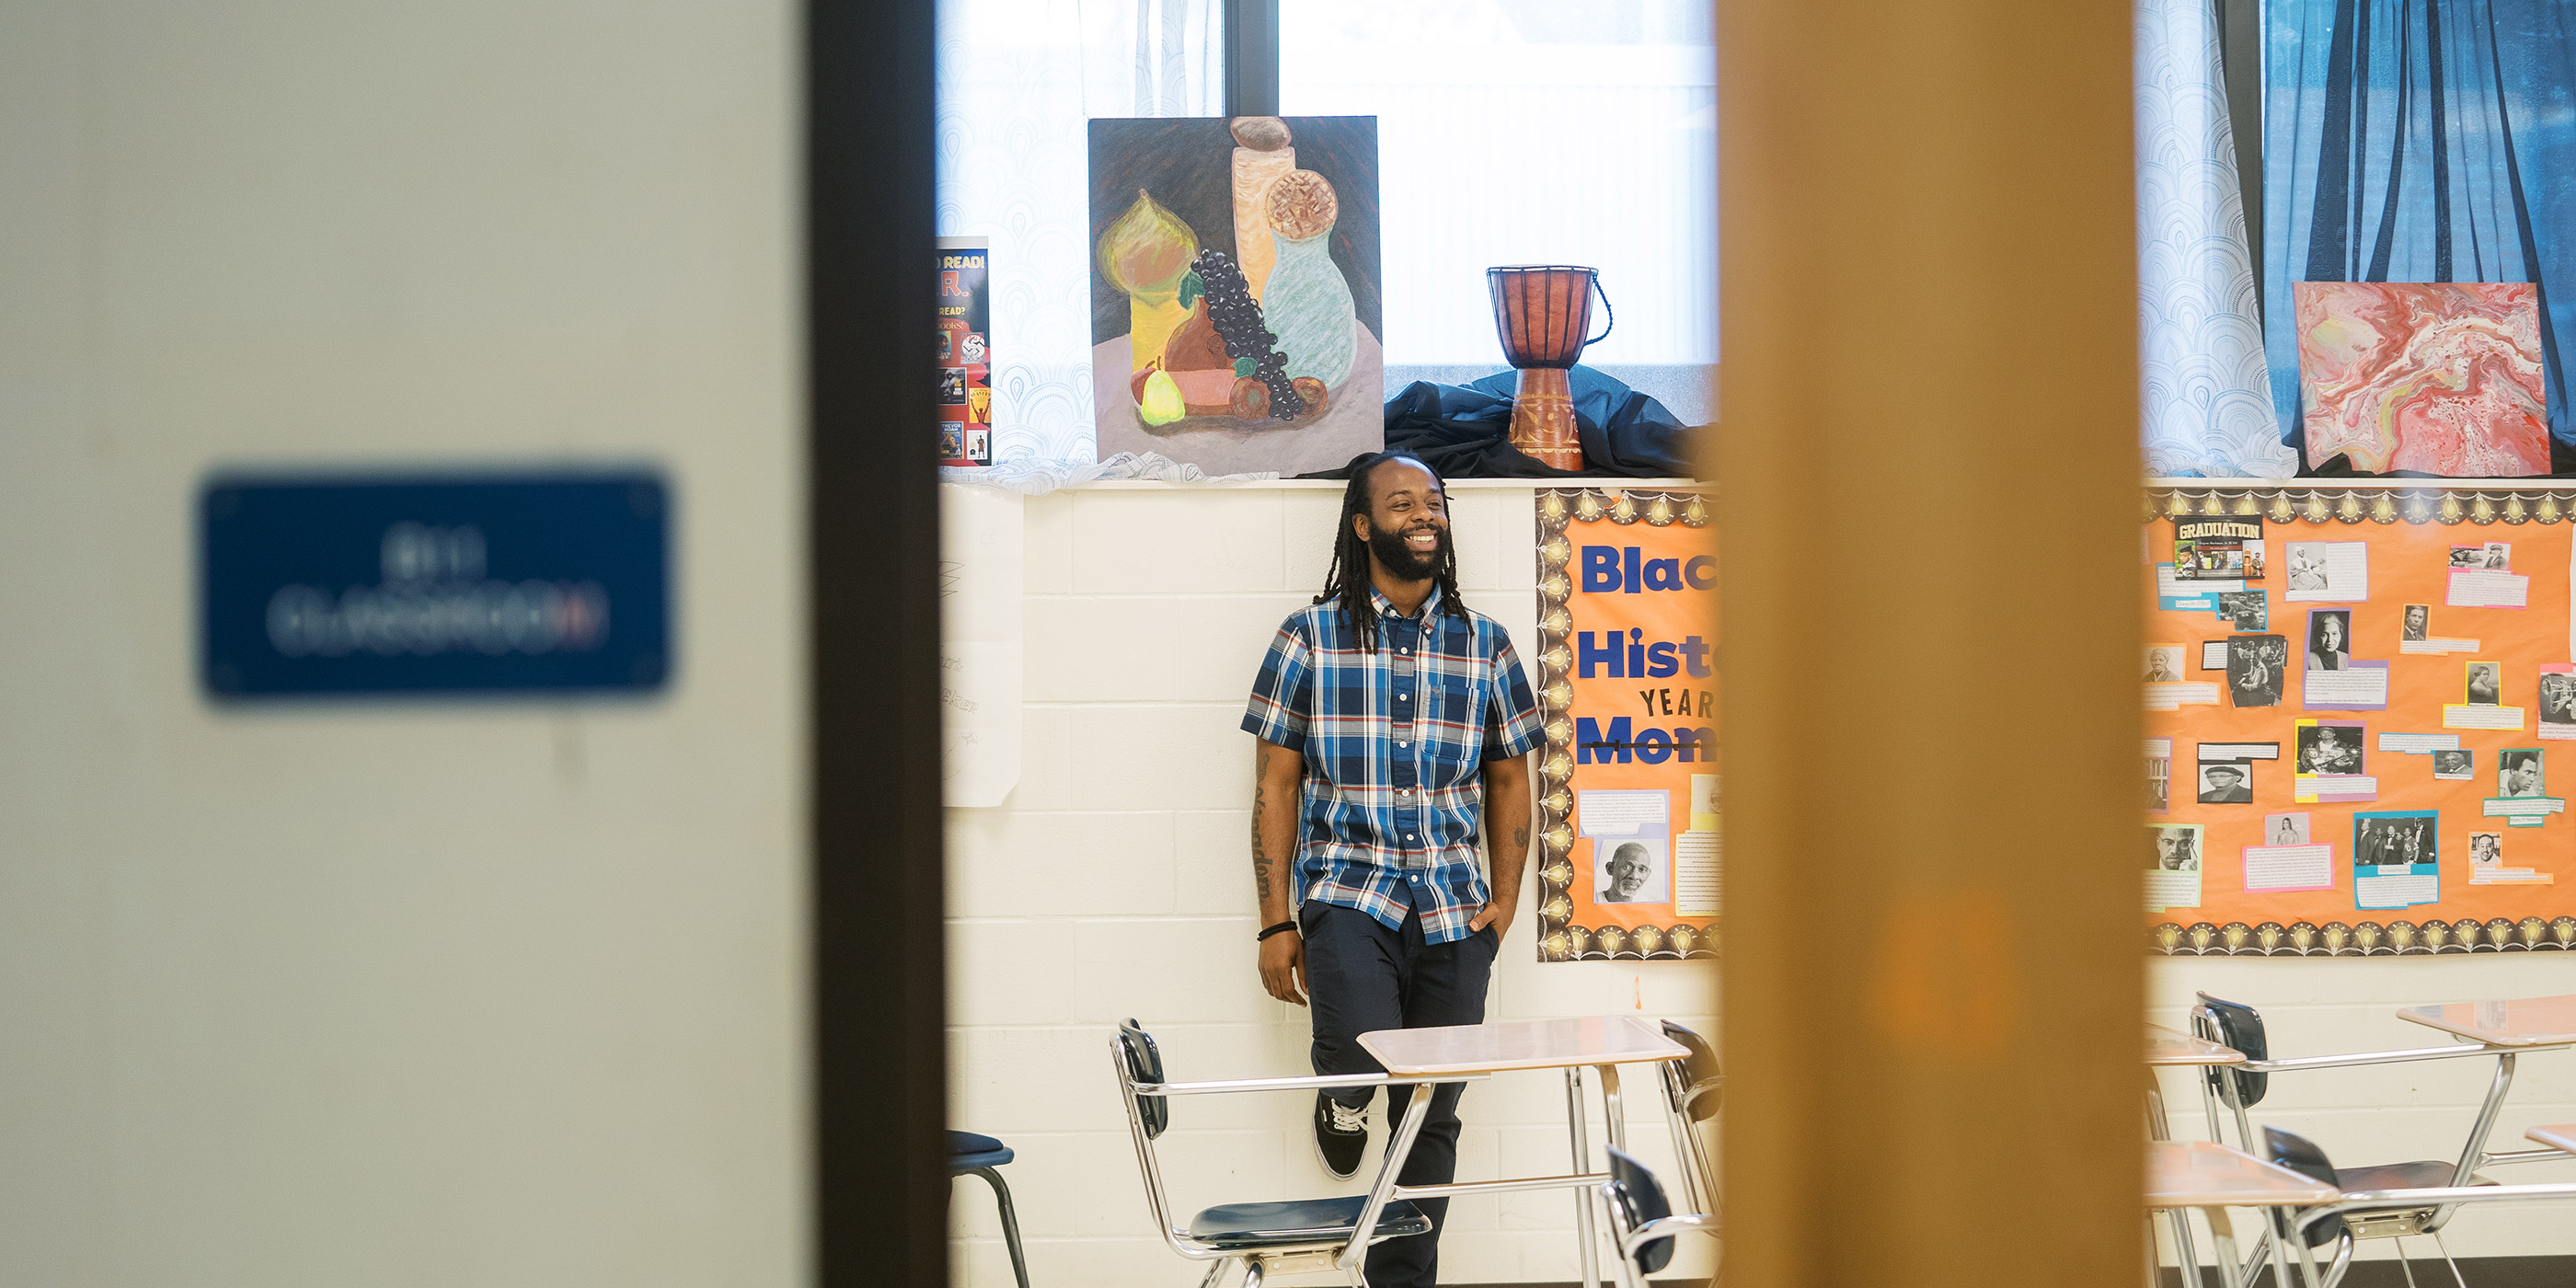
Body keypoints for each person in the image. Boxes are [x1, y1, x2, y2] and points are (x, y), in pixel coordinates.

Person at [1241, 451, 1541, 1288]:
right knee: (1355, 1047)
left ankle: (1400, 1280)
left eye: (1435, 502)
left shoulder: (1487, 645)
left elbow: (1512, 777)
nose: (1425, 514)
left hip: (1455, 906)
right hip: (1347, 891)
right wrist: (1274, 920)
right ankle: (1342, 1095)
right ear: (1363, 525)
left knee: (1434, 1108)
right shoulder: (1309, 637)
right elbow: (1276, 783)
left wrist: (1506, 900)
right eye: (1402, 502)